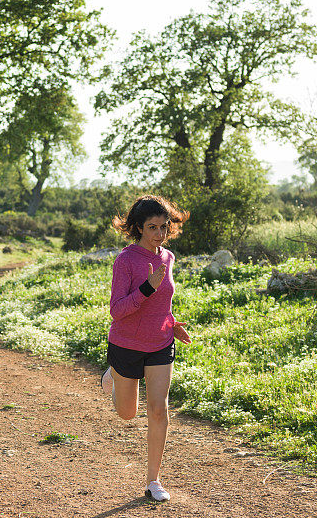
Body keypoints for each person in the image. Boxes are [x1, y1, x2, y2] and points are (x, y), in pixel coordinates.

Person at [100, 194, 192, 502]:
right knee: (127, 414)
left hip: (160, 342)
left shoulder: (168, 258)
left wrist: (172, 323)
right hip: (126, 344)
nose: (159, 234)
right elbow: (117, 310)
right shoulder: (126, 260)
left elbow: (164, 301)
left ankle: (154, 480)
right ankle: (112, 374)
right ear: (138, 228)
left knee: (158, 409)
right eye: (152, 227)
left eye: (164, 227)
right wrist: (147, 287)